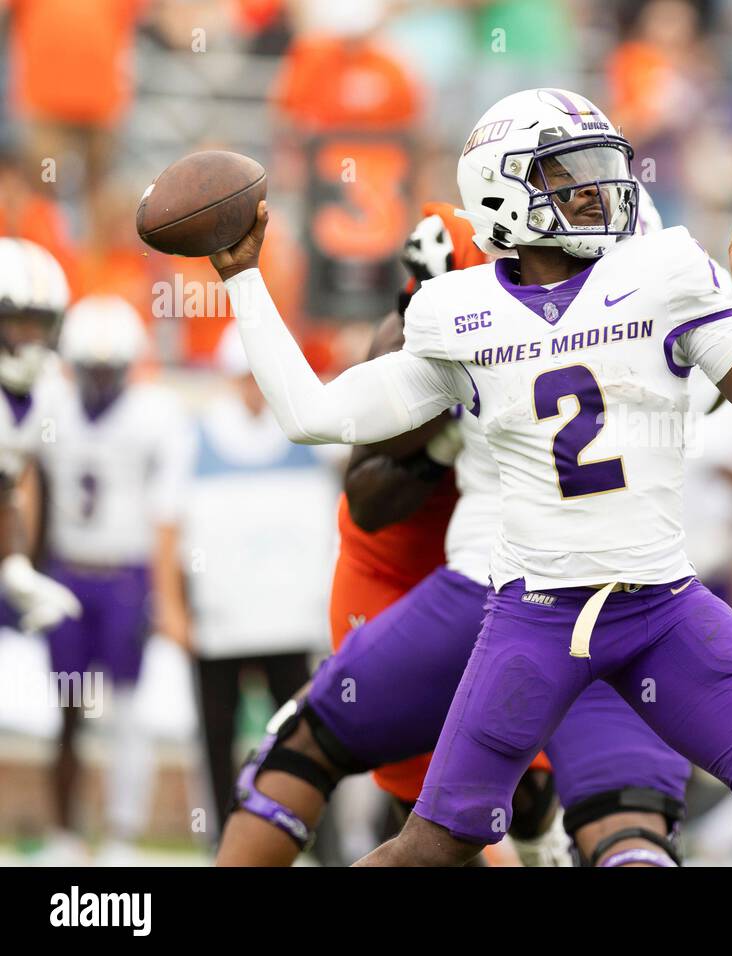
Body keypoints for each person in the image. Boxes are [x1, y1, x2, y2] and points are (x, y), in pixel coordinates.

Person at [211, 88, 732, 866]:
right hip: (535, 615)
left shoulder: (666, 268)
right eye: (568, 175)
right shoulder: (456, 308)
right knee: (431, 847)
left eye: (600, 169)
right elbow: (314, 414)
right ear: (503, 192)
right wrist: (243, 280)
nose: (599, 190)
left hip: (661, 606)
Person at [215, 203, 692, 868]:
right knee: (447, 813)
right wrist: (447, 430)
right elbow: (370, 494)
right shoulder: (459, 307)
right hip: (418, 576)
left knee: (516, 800)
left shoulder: (594, 307)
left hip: (519, 582)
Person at [37, 294, 189, 863]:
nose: (99, 378)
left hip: (125, 575)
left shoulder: (156, 413)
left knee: (125, 709)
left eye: (109, 367)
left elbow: (169, 511)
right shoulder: (50, 402)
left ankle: (123, 834)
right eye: (90, 367)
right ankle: (64, 834)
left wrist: (166, 591)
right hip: (67, 572)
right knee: (68, 709)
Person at [179, 323, 342, 842]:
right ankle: (224, 839)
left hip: (289, 619)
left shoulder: (309, 429)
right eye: (244, 377)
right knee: (216, 738)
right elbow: (166, 526)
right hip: (220, 620)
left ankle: (320, 839)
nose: (254, 387)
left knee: (304, 738)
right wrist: (173, 609)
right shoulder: (196, 435)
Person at [0, 237, 84, 862]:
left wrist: (15, 564)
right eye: (16, 321)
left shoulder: (43, 392)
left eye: (40, 323)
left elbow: (6, 488)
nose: (29, 337)